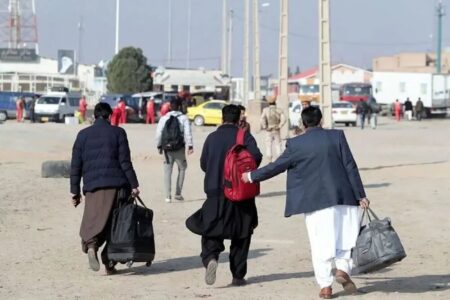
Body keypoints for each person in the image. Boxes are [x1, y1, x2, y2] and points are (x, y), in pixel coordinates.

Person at [242, 106, 370, 299]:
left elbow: (276, 166)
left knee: (320, 244)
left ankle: (325, 287)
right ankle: (343, 270)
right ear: (321, 121)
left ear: (303, 123)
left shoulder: (295, 144)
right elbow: (350, 165)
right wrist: (361, 195)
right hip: (345, 197)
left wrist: (251, 176)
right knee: (345, 239)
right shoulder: (337, 136)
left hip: (315, 202)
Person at [186, 104, 263, 287]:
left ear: (222, 118)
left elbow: (204, 164)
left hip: (215, 193)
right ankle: (238, 275)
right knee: (242, 234)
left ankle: (211, 257)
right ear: (239, 119)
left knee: (211, 230)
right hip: (240, 194)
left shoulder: (211, 138)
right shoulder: (244, 136)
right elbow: (256, 158)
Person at [70, 102, 140, 275]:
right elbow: (125, 162)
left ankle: (92, 245)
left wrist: (75, 192)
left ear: (95, 116)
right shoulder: (118, 132)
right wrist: (134, 184)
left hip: (93, 187)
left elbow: (76, 165)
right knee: (115, 225)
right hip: (117, 186)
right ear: (109, 116)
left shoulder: (82, 135)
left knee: (94, 220)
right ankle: (109, 263)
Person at [155, 99, 193, 203]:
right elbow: (187, 133)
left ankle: (167, 196)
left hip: (167, 149)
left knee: (167, 172)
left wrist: (159, 146)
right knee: (182, 169)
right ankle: (178, 193)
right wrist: (190, 146)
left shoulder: (164, 118)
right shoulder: (184, 118)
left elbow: (159, 133)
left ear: (170, 107)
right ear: (180, 106)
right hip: (180, 148)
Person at [260, 96, 286, 162]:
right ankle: (279, 159)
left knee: (268, 145)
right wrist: (279, 126)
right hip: (276, 129)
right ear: (275, 102)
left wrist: (265, 127)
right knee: (278, 144)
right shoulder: (279, 110)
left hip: (269, 130)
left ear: (269, 103)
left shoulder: (265, 110)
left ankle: (269, 159)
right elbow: (284, 119)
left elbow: (262, 119)